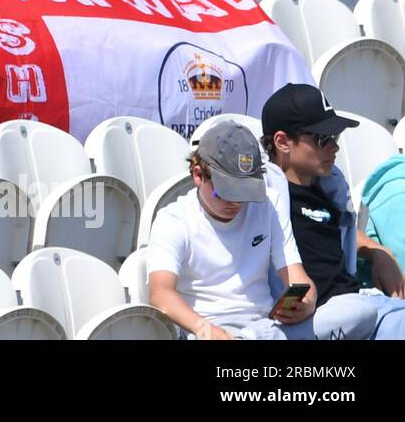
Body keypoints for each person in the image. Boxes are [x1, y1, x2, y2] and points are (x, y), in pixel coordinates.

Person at [147, 122, 376, 340]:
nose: (236, 202)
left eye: (245, 192)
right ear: (198, 175)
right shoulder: (173, 219)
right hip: (210, 329)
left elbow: (297, 278)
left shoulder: (269, 204)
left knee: (361, 310)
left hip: (269, 326)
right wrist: (204, 328)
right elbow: (161, 294)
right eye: (226, 192)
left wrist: (306, 302)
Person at [260, 82, 405, 338]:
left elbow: (342, 230)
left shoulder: (327, 187)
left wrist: (377, 251)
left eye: (334, 137)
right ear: (282, 141)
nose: (334, 147)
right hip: (312, 322)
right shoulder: (261, 201)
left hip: (358, 311)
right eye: (322, 138)